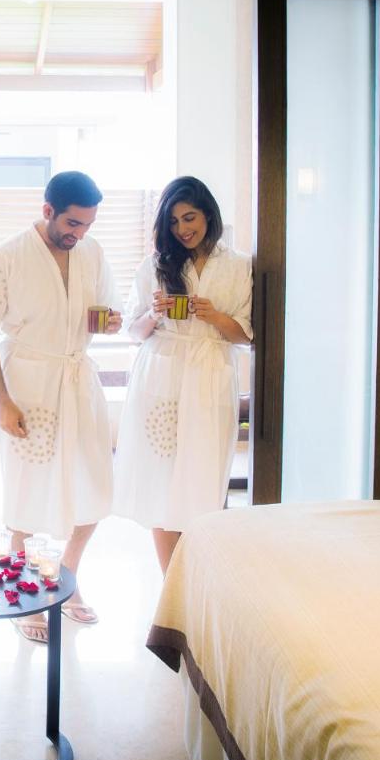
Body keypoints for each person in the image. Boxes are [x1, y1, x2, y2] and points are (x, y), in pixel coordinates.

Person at [0, 170, 122, 643]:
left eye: (88, 225)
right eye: (73, 224)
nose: (79, 234)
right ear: (48, 211)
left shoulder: (92, 252)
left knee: (94, 483)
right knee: (26, 490)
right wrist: (2, 401)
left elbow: (102, 314)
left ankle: (65, 577)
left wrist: (110, 321)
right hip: (29, 384)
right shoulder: (9, 256)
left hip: (79, 378)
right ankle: (21, 591)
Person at [113, 176, 252, 573]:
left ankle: (197, 583)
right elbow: (133, 332)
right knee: (161, 481)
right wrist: (156, 312)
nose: (182, 229)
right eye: (173, 222)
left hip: (210, 374)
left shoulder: (239, 265)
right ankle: (169, 589)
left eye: (189, 217)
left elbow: (245, 335)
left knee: (203, 479)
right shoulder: (156, 265)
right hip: (162, 373)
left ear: (208, 214)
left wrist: (214, 315)